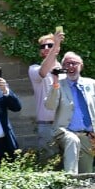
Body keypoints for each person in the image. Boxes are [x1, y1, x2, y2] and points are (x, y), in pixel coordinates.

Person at [45, 51, 95, 174]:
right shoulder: (59, 85)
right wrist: (55, 82)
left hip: (88, 137)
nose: (70, 66)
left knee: (86, 173)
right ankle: (69, 178)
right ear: (63, 68)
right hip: (65, 133)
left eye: (74, 63)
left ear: (81, 66)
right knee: (72, 140)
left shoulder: (93, 84)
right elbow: (50, 105)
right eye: (66, 64)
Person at [28, 31, 65, 162]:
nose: (46, 48)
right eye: (42, 47)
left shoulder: (65, 71)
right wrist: (54, 48)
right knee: (48, 164)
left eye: (50, 45)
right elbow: (43, 72)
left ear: (58, 48)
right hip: (46, 126)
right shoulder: (34, 69)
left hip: (66, 125)